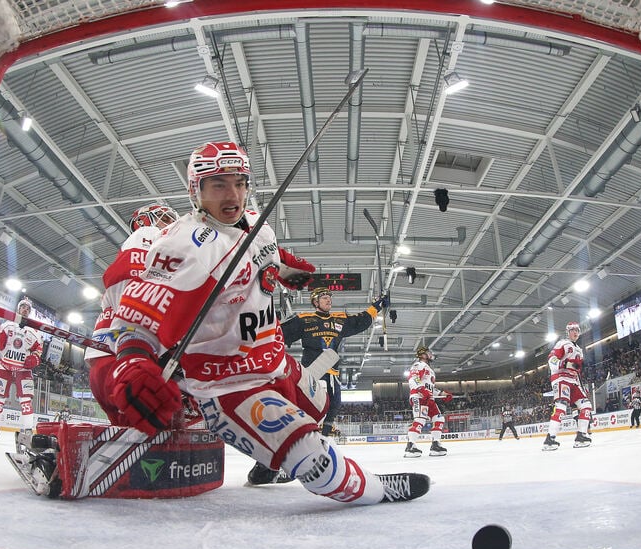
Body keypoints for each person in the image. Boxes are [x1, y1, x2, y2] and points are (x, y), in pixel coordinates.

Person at [107, 140, 429, 504]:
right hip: (228, 384)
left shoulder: (257, 223)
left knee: (321, 406)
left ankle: (266, 464)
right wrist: (133, 364)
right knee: (312, 458)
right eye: (219, 184)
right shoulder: (182, 246)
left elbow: (270, 255)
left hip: (276, 362)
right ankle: (375, 490)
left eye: (241, 182)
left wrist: (291, 271)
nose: (234, 195)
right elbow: (138, 315)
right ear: (195, 190)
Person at [85, 202, 180, 426]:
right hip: (125, 358)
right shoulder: (149, 234)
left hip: (108, 359)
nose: (171, 223)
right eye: (164, 218)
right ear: (142, 221)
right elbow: (127, 279)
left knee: (128, 432)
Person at [282, 286, 389, 437]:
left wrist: (376, 307)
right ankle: (300, 433)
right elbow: (281, 333)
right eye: (324, 297)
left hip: (331, 369)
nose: (328, 299)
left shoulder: (340, 319)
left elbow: (360, 320)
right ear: (315, 302)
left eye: (329, 297)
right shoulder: (304, 319)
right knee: (310, 405)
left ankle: (323, 435)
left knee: (335, 403)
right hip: (313, 370)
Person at [0, 298, 43, 443]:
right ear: (18, 309)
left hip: (23, 370)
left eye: (27, 308)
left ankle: (28, 430)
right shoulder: (7, 326)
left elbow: (38, 350)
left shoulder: (34, 332)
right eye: (22, 307)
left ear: (29, 312)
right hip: (4, 365)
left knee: (26, 402)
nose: (25, 309)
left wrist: (35, 359)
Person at [543, 321, 592, 450]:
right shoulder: (562, 343)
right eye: (572, 330)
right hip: (561, 378)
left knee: (586, 405)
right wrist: (562, 364)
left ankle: (581, 435)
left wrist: (580, 385)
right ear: (568, 332)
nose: (575, 332)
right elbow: (551, 359)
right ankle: (550, 439)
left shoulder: (579, 351)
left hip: (573, 380)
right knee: (561, 407)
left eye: (577, 330)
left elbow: (577, 369)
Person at [404, 346, 452, 457]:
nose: (431, 354)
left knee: (439, 418)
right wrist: (420, 389)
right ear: (423, 355)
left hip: (428, 398)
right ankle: (410, 446)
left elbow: (430, 388)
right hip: (419, 397)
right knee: (420, 420)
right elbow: (413, 378)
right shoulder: (419, 365)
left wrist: (443, 394)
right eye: (428, 353)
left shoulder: (429, 369)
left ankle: (435, 444)